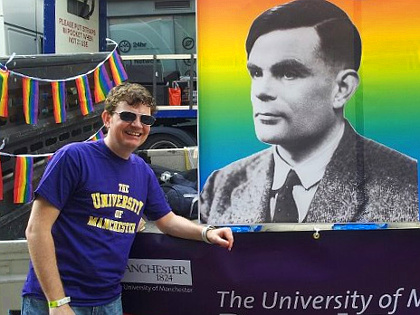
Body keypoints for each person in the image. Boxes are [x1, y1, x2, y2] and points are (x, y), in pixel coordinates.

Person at [21, 82, 234, 314]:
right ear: (107, 118)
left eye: (146, 120)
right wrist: (57, 302)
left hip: (108, 301)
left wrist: (207, 232)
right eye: (128, 116)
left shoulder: (141, 171)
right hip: (57, 300)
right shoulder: (74, 158)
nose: (137, 125)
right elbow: (37, 230)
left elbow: (168, 221)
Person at [200, 0, 418, 224]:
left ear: (342, 89)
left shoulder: (408, 185)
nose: (261, 92)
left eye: (288, 73)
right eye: (256, 73)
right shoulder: (222, 185)